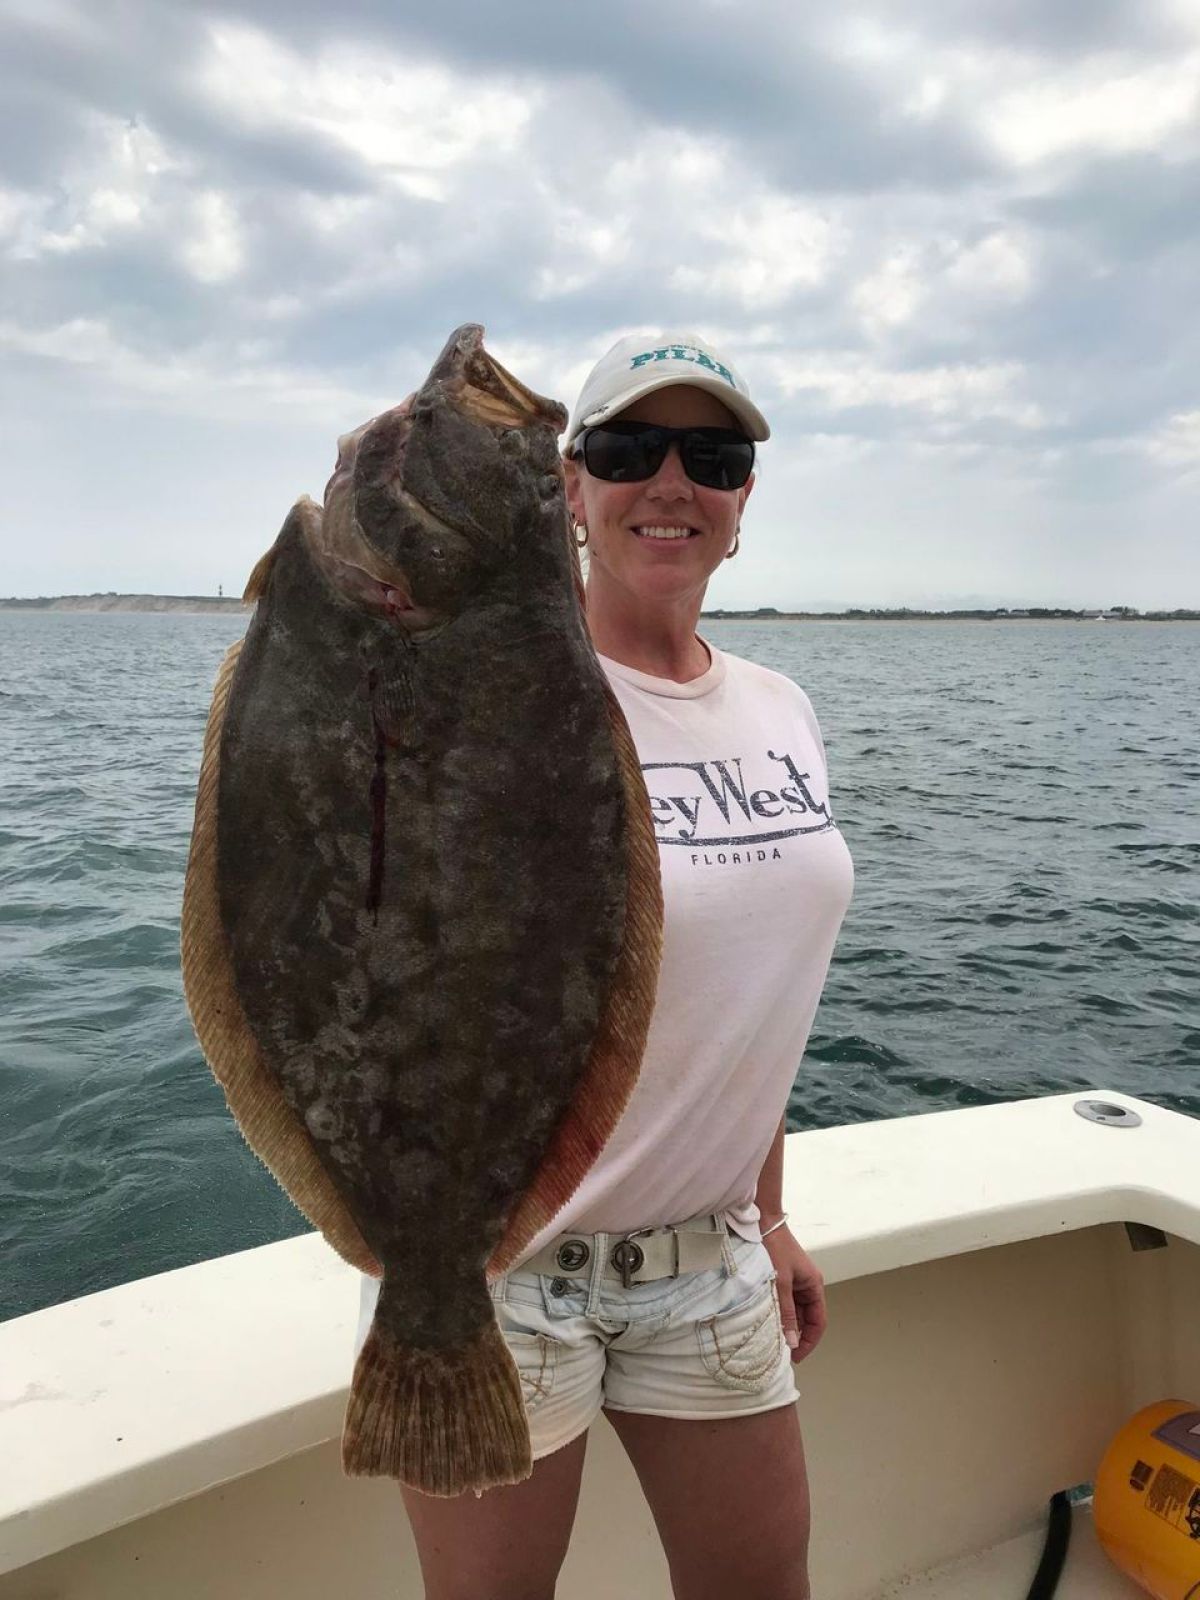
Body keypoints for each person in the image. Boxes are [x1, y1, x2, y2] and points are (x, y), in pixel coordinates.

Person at [357, 331, 855, 1600]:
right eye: (630, 449)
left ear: (746, 499)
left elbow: (740, 1003)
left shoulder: (781, 707)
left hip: (712, 1265)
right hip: (497, 1279)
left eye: (715, 454)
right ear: (570, 490)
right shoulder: (476, 693)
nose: (673, 481)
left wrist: (774, 1209)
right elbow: (383, 934)